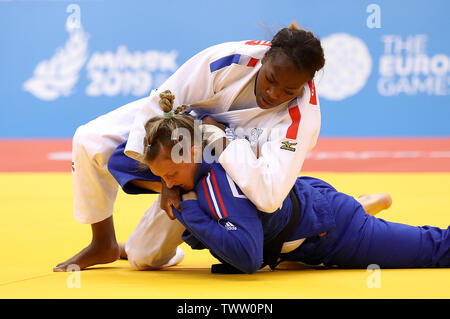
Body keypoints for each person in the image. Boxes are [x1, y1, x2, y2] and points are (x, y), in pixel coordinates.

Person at [53, 23, 389, 272]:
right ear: (265, 58)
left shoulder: (303, 119)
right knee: (89, 139)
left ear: (304, 85)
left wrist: (221, 142)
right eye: (270, 79)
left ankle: (350, 208)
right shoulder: (227, 60)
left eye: (288, 90)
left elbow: (270, 196)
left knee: (142, 257)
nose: (274, 94)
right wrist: (167, 184)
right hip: (188, 142)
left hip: (230, 167)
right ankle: (103, 243)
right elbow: (161, 105)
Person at [129, 110, 449, 273]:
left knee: (433, 250)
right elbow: (121, 155)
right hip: (300, 215)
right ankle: (362, 203)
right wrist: (167, 187)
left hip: (336, 230)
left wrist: (190, 212)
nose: (169, 184)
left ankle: (360, 211)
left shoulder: (219, 182)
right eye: (162, 177)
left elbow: (247, 258)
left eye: (171, 175)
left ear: (193, 151)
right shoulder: (200, 140)